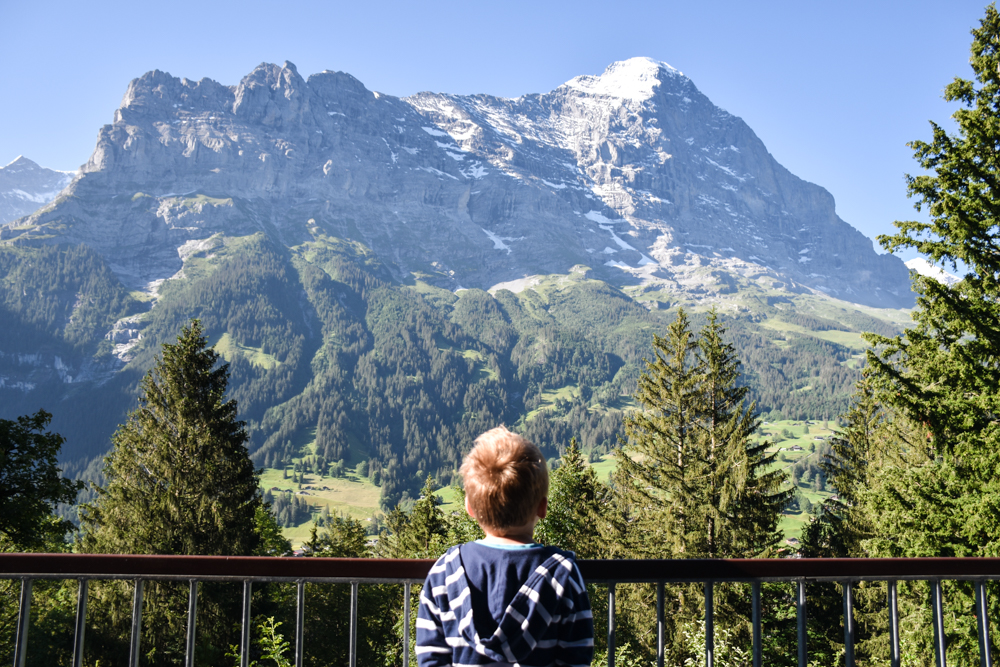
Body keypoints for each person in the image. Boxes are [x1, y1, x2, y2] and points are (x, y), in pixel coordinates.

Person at [416, 426, 594, 667]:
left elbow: (431, 659)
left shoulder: (445, 572)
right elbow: (576, 660)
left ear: (469, 508)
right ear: (543, 508)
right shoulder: (562, 576)